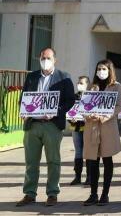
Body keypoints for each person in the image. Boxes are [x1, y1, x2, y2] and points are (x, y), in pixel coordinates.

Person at [16, 47, 76, 207]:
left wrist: (57, 111)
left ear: (55, 60)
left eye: (48, 58)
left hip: (52, 125)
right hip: (32, 125)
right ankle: (29, 194)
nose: (45, 61)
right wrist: (23, 111)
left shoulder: (64, 77)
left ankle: (52, 194)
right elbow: (23, 99)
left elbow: (70, 100)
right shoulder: (31, 77)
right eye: (42, 58)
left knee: (53, 161)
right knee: (31, 162)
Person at [83, 59, 121, 206]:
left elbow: (119, 106)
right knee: (92, 162)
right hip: (92, 127)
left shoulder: (116, 87)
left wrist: (106, 116)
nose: (101, 71)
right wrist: (88, 115)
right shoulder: (91, 87)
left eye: (104, 69)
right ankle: (93, 193)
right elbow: (84, 106)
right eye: (99, 69)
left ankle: (105, 194)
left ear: (109, 70)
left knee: (107, 160)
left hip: (107, 127)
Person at [69, 76, 90, 186]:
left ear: (87, 84)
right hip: (76, 127)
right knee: (78, 152)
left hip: (88, 127)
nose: (79, 84)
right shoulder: (74, 96)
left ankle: (89, 177)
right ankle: (77, 176)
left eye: (81, 82)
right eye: (78, 82)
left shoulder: (91, 97)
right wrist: (70, 118)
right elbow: (69, 110)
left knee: (88, 152)